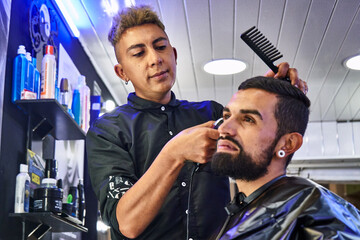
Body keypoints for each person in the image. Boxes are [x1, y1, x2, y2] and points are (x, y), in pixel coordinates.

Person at [86, 5, 307, 240]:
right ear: (122, 73)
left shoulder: (210, 113)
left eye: (160, 47)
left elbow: (256, 147)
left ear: (175, 55)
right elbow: (127, 224)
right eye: (139, 53)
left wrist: (271, 96)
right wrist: (174, 153)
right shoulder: (108, 131)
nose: (155, 59)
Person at [211, 76, 360, 240]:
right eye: (226, 116)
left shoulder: (312, 206)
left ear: (288, 144)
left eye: (248, 119)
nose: (224, 128)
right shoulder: (237, 212)